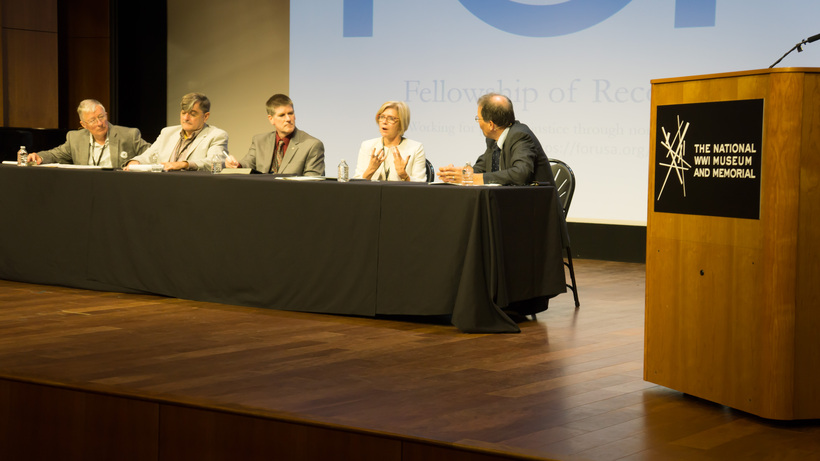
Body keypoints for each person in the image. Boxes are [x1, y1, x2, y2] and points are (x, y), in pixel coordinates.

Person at [438, 93, 554, 186]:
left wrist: (475, 179)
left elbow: (520, 174)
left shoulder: (520, 136)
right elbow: (482, 168)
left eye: (478, 118)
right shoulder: (492, 140)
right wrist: (457, 175)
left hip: (535, 208)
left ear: (491, 125)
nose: (478, 122)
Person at [25, 99, 150, 168]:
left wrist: (137, 162)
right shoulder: (75, 138)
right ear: (83, 124)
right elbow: (55, 155)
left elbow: (153, 153)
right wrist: (39, 157)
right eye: (92, 120)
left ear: (106, 115)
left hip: (119, 189)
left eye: (101, 117)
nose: (99, 123)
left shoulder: (128, 135)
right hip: (87, 190)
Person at [225, 94, 324, 175]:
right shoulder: (259, 141)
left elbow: (313, 182)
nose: (288, 119)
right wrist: (235, 165)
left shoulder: (312, 145)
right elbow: (247, 163)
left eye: (290, 113)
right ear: (271, 119)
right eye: (282, 115)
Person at [125, 93, 228, 171]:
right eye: (183, 113)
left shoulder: (216, 135)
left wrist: (184, 164)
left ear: (205, 116)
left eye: (192, 114)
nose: (186, 118)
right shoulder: (167, 132)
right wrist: (135, 162)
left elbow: (215, 163)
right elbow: (150, 155)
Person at [354, 101, 426, 182]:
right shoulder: (367, 146)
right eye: (382, 117)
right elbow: (356, 184)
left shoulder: (415, 148)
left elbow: (421, 184)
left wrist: (403, 174)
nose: (384, 122)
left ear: (401, 123)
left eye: (391, 118)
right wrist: (370, 170)